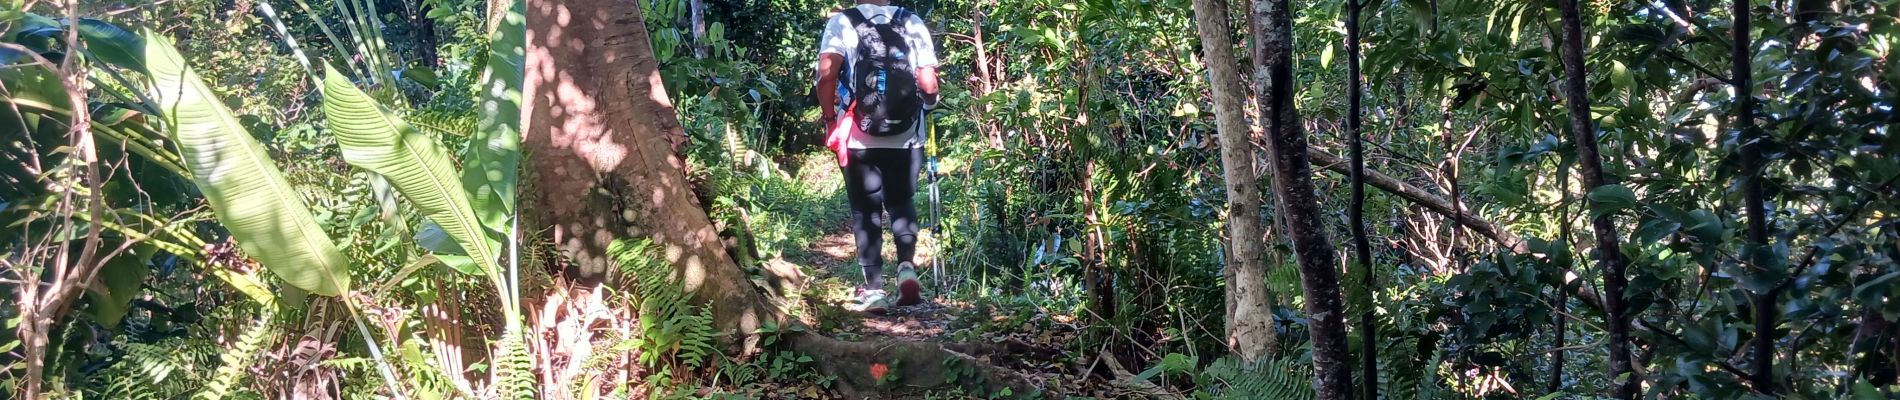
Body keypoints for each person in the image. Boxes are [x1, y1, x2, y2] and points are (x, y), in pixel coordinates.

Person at [815, 0, 940, 314]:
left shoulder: (842, 23)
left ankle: (874, 290)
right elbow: (928, 82)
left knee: (865, 208)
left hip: (858, 133)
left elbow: (826, 76)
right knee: (901, 199)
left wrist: (830, 119)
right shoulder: (911, 21)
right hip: (907, 133)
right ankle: (907, 269)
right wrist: (929, 104)